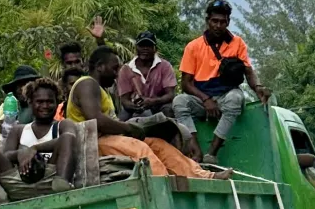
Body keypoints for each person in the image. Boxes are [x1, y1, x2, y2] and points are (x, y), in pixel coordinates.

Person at [66, 47, 221, 180]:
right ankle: (162, 185)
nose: (116, 74)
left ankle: (202, 176)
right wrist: (127, 129)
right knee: (141, 150)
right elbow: (97, 120)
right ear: (99, 66)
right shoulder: (87, 84)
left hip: (108, 139)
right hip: (92, 144)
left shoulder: (99, 88)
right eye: (114, 69)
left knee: (159, 145)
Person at [173, 0, 269, 164]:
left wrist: (258, 87)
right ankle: (195, 151)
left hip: (226, 94)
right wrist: (206, 100)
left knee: (236, 98)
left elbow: (248, 71)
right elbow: (186, 84)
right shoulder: (193, 46)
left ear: (228, 22)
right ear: (207, 21)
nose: (218, 26)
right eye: (214, 21)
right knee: (179, 101)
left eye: (222, 22)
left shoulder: (238, 43)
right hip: (202, 96)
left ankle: (212, 153)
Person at [0, 80, 79, 207]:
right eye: (40, 102)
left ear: (56, 103)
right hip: (20, 182)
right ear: (30, 102)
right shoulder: (19, 129)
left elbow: (70, 139)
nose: (45, 106)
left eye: (49, 102)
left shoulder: (63, 124)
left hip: (51, 180)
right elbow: (6, 156)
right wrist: (21, 154)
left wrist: (34, 148)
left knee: (67, 138)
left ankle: (62, 186)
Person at [116, 31, 177, 117]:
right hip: (135, 106)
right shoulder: (126, 69)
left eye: (149, 45)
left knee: (169, 110)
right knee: (122, 119)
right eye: (141, 45)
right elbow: (124, 100)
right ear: (136, 48)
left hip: (160, 105)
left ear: (155, 48)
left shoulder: (165, 66)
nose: (145, 48)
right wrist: (135, 107)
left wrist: (153, 101)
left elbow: (170, 95)